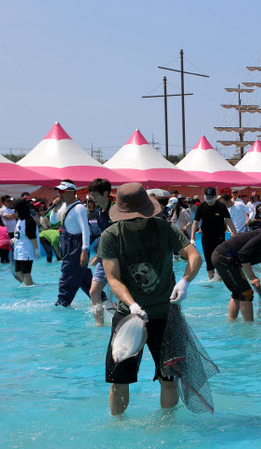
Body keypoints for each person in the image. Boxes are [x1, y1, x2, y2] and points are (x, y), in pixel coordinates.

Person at [99, 182, 202, 415]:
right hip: (128, 318)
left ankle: (167, 427)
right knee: (119, 380)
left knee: (169, 378)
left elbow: (194, 255)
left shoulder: (165, 229)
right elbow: (113, 278)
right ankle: (118, 429)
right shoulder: (111, 236)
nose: (135, 221)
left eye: (139, 216)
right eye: (129, 217)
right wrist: (133, 304)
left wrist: (185, 281)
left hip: (165, 316)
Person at [50, 180, 93, 307]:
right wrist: (55, 207)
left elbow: (85, 230)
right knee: (83, 277)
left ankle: (62, 303)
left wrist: (84, 251)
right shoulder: (64, 206)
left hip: (76, 246)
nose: (60, 194)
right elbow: (53, 221)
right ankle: (102, 299)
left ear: (72, 192)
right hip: (68, 245)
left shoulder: (79, 208)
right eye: (59, 191)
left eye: (63, 191)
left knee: (68, 274)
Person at [190, 186, 236, 281]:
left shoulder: (221, 206)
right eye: (207, 198)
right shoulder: (202, 206)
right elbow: (195, 222)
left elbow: (229, 221)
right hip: (206, 237)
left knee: (219, 257)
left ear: (215, 197)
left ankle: (219, 278)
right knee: (208, 258)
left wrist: (235, 234)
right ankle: (211, 279)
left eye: (211, 198)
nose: (209, 200)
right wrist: (192, 237)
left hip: (219, 236)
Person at [87, 178, 114, 325]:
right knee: (94, 291)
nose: (93, 198)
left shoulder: (115, 211)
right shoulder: (98, 211)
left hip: (117, 259)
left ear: (105, 194)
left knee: (117, 294)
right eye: (91, 195)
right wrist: (97, 255)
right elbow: (103, 235)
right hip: (103, 258)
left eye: (95, 195)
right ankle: (99, 324)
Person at [12, 199, 40, 286]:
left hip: (27, 250)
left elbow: (32, 237)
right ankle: (29, 284)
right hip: (18, 250)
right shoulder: (19, 220)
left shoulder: (29, 221)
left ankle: (29, 289)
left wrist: (36, 250)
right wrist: (14, 239)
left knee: (26, 273)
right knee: (17, 272)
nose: (14, 212)